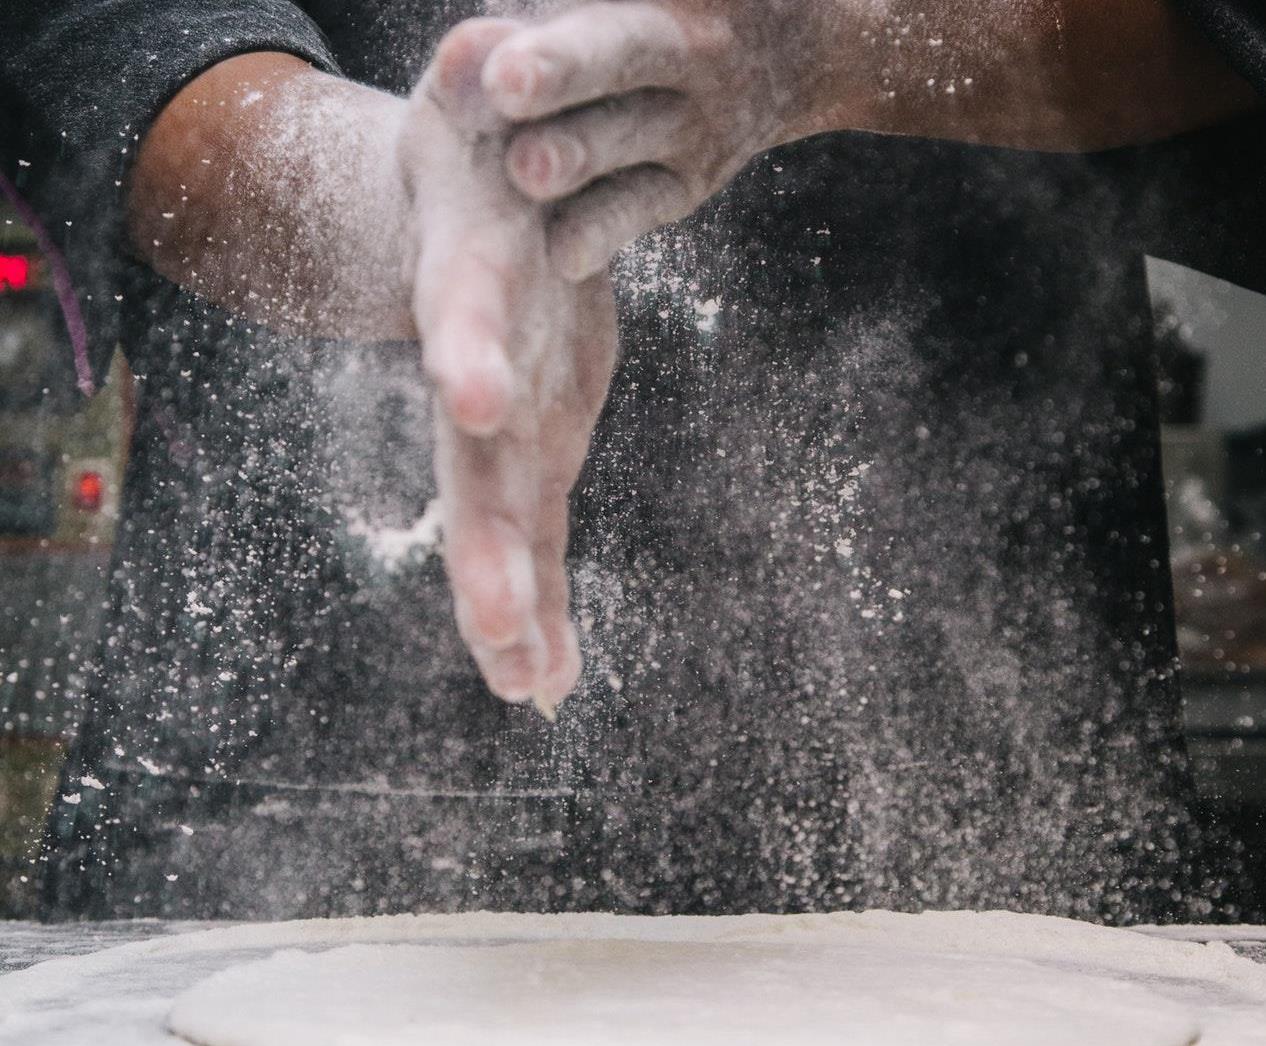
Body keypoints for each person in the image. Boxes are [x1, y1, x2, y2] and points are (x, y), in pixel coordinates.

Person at [2, 0, 1262, 922]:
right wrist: (405, 211)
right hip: (309, 819)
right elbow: (113, 34)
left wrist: (831, 41)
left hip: (985, 785)